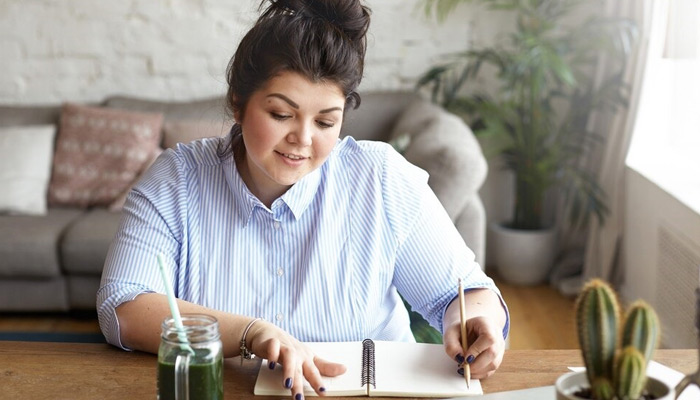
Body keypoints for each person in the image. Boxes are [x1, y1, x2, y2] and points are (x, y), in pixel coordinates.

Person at [97, 0, 509, 399]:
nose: (303, 139)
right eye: (281, 114)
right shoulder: (178, 178)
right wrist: (251, 333)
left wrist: (476, 320)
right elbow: (123, 306)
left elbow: (465, 292)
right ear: (238, 104)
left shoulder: (381, 177)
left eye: (326, 121)